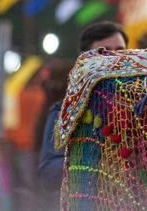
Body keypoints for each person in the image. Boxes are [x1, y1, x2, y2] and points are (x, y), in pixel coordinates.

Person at [37, 21, 128, 198]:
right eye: (104, 51)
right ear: (86, 60)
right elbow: (49, 174)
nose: (115, 58)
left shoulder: (143, 107)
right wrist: (96, 163)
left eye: (121, 51)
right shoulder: (65, 111)